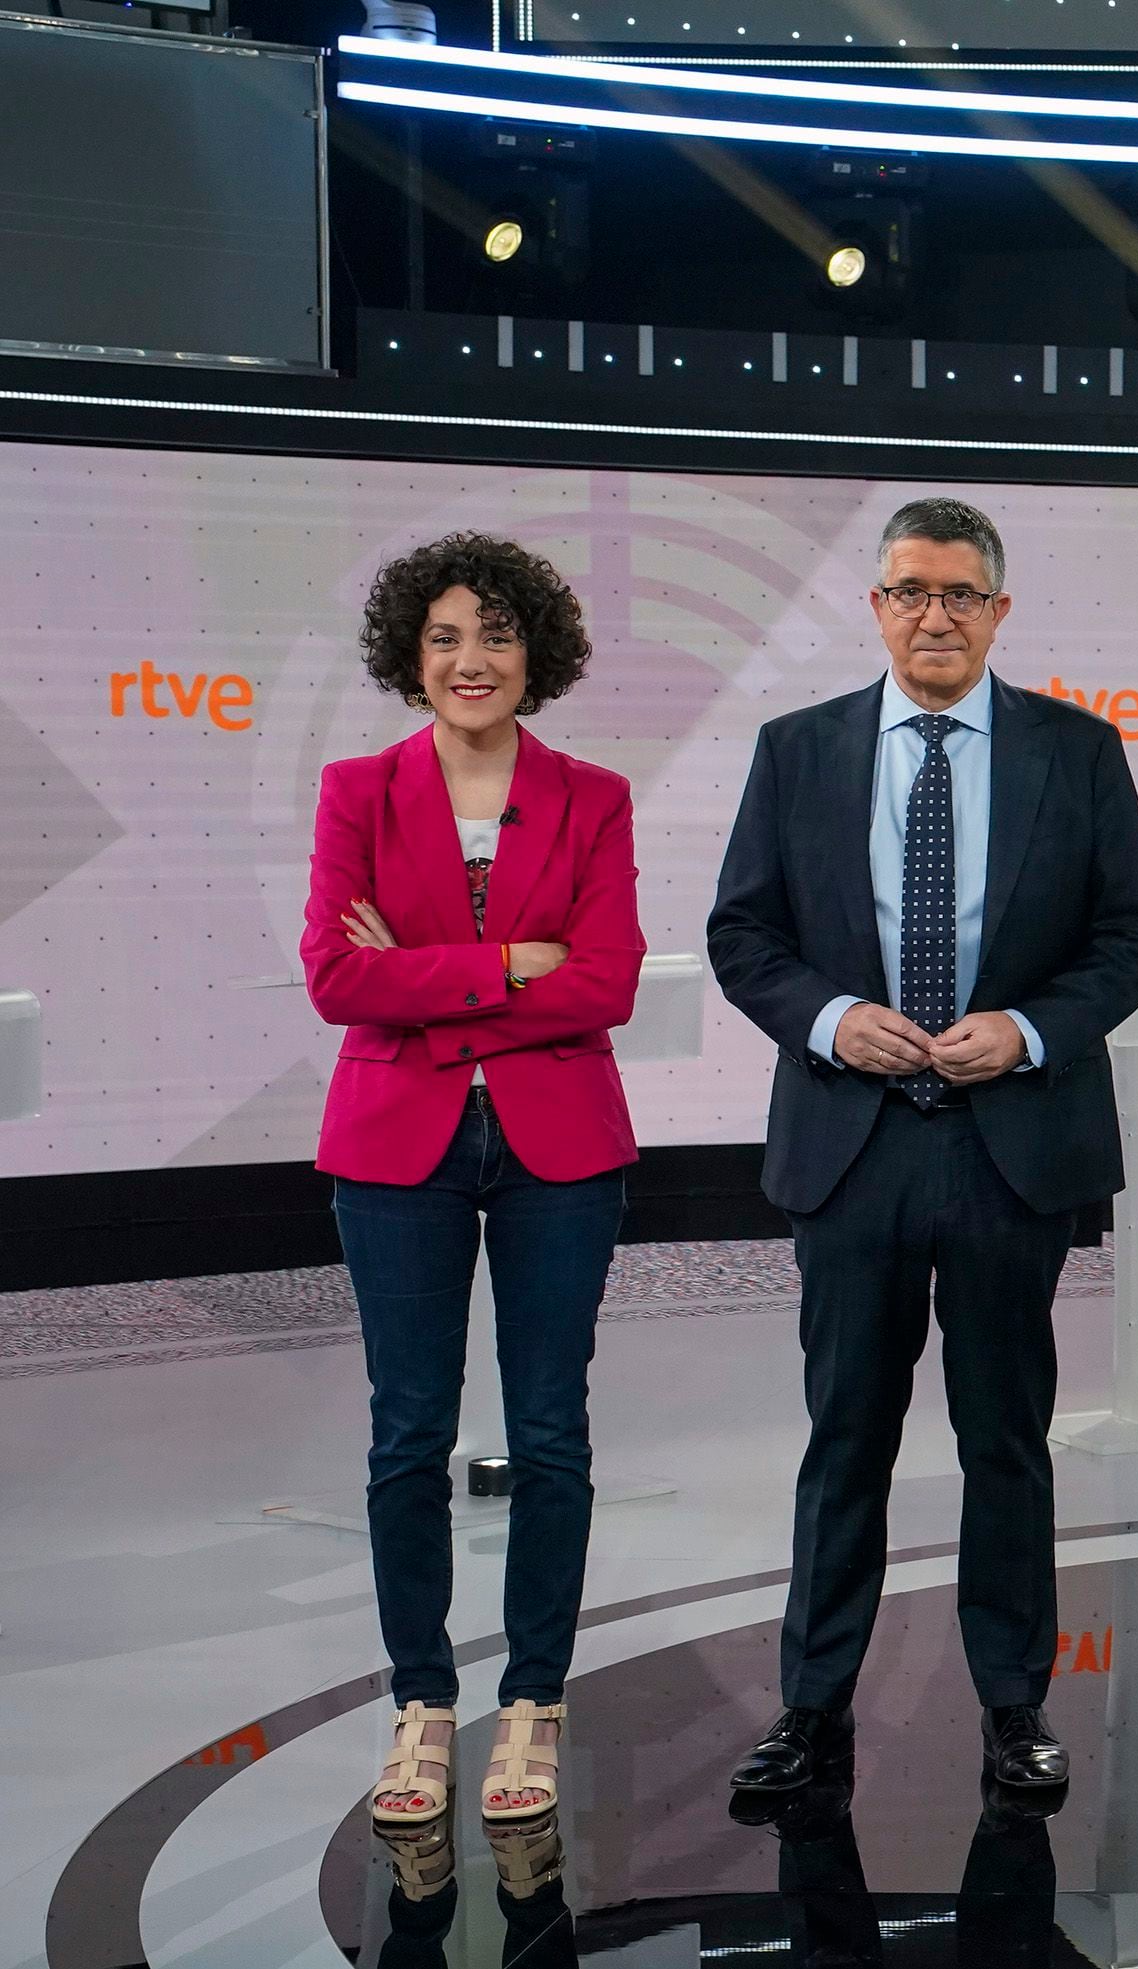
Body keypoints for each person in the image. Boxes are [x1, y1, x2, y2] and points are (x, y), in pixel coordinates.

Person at [707, 496, 1138, 1802]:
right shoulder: (796, 751)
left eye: (961, 593)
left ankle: (1014, 1704)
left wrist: (1026, 1030)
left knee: (1005, 1436)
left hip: (1007, 1147)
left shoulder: (1076, 753)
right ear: (874, 607)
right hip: (850, 1149)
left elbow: (1131, 941)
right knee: (844, 1435)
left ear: (1000, 612)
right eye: (910, 590)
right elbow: (746, 936)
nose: (934, 615)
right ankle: (811, 1707)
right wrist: (829, 1016)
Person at [304, 533, 643, 1832]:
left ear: (534, 652)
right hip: (398, 1146)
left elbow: (606, 978)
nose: (469, 660)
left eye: (494, 635)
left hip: (562, 1145)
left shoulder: (592, 794)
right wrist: (507, 969)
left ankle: (537, 1704)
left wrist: (431, 980)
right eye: (444, 637)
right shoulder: (357, 790)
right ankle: (425, 1703)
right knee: (408, 1433)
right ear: (410, 651)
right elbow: (337, 979)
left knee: (550, 1427)